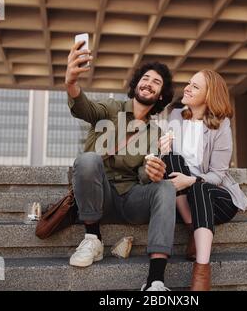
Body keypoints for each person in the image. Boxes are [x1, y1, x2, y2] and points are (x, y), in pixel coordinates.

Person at [65, 40, 176, 291]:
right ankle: (93, 239)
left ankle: (155, 281)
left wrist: (152, 172)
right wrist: (71, 83)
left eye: (156, 82)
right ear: (137, 84)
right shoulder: (112, 107)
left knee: (166, 187)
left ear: (160, 95)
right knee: (88, 158)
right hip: (98, 196)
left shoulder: (155, 133)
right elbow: (85, 108)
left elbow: (142, 176)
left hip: (131, 199)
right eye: (145, 78)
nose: (149, 83)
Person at [159, 70, 247, 291]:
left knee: (200, 187)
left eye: (195, 86)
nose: (187, 88)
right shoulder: (176, 116)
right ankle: (193, 229)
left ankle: (201, 271)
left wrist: (191, 180)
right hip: (184, 198)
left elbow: (217, 175)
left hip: (215, 197)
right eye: (189, 83)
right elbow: (169, 162)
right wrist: (162, 152)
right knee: (172, 157)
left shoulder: (221, 124)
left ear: (210, 95)